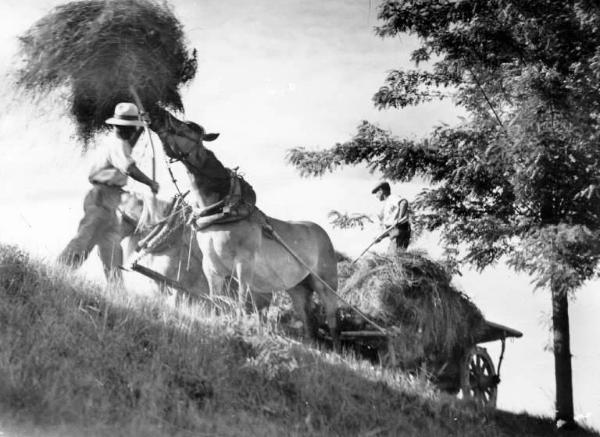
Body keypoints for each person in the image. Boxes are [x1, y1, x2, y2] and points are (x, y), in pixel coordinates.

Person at [58, 102, 159, 283]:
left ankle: (116, 290)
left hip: (112, 201)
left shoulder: (120, 143)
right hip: (101, 197)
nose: (131, 131)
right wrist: (150, 182)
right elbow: (129, 167)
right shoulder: (116, 144)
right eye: (130, 128)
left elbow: (127, 148)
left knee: (111, 244)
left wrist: (143, 129)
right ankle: (58, 274)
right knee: (85, 238)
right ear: (120, 127)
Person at [371, 181, 411, 254]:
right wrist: (379, 238)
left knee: (393, 257)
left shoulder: (392, 198)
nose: (376, 196)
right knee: (393, 256)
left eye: (376, 193)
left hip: (400, 230)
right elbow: (388, 227)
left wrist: (400, 218)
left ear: (381, 190)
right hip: (395, 232)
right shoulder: (386, 204)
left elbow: (403, 202)